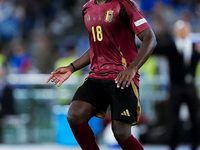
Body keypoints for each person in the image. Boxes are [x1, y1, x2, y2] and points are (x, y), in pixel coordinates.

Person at [46, 0, 157, 149]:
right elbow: (95, 46)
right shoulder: (87, 8)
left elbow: (150, 38)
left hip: (122, 76)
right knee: (75, 115)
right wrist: (72, 67)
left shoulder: (124, 4)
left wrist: (132, 68)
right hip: (97, 75)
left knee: (120, 132)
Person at [154, 20, 200, 150]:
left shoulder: (194, 47)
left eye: (185, 29)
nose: (183, 31)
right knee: (174, 118)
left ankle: (195, 144)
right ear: (175, 32)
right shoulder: (170, 46)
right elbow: (154, 49)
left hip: (190, 86)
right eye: (181, 29)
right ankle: (173, 145)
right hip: (175, 86)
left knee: (194, 117)